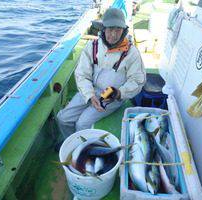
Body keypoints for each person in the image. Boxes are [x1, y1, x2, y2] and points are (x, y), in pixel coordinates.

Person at [57, 7, 146, 139]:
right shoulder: (92, 46)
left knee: (82, 124)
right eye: (110, 29)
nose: (114, 34)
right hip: (90, 90)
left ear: (124, 30)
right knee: (62, 118)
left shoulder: (132, 53)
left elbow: (138, 81)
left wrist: (120, 93)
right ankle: (71, 142)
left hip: (111, 96)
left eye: (118, 29)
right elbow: (82, 74)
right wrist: (89, 95)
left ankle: (84, 151)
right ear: (103, 28)